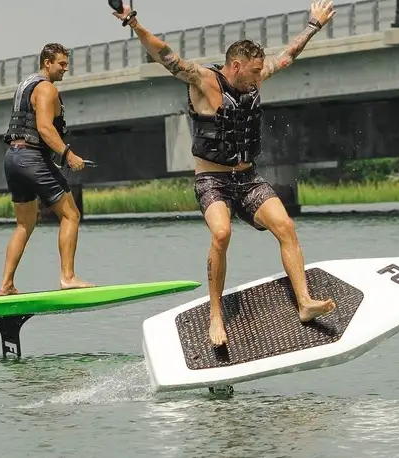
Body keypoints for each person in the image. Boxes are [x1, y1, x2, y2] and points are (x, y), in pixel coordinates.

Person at [111, 1, 338, 346]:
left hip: (247, 179)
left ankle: (304, 302)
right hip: (212, 181)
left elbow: (289, 54)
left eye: (261, 71)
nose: (259, 77)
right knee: (221, 233)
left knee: (286, 226)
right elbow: (166, 55)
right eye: (254, 71)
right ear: (236, 66)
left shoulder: (253, 81)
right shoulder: (203, 80)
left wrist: (313, 25)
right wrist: (133, 22)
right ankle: (216, 316)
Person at [0, 42, 94, 295]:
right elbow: (44, 128)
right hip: (32, 158)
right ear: (47, 63)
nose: (65, 69)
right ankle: (68, 277)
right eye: (61, 64)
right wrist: (68, 155)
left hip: (13, 158)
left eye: (66, 64)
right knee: (71, 215)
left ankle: (6, 285)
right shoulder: (46, 88)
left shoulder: (25, 84)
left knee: (24, 224)